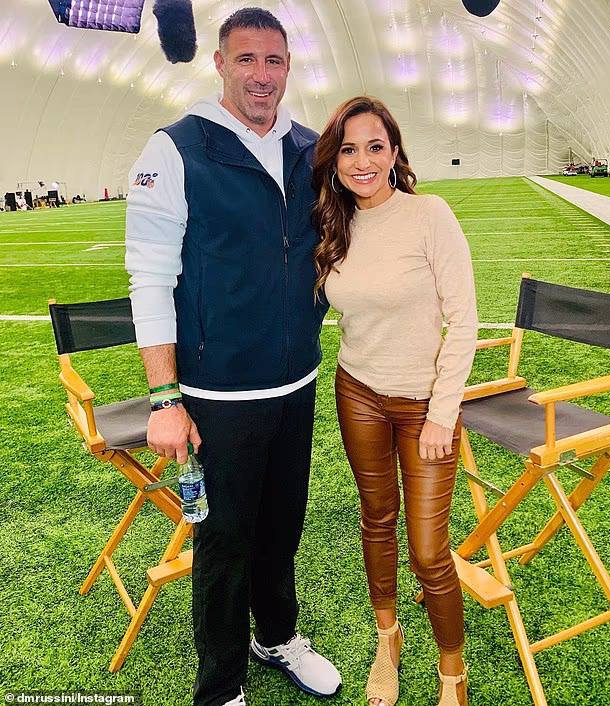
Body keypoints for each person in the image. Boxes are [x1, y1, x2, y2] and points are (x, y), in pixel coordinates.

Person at [124, 8, 341, 706]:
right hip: (217, 393)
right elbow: (150, 279)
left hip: (297, 380)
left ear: (288, 68)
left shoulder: (311, 147)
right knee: (223, 543)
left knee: (283, 524)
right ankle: (220, 687)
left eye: (274, 61)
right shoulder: (174, 148)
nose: (261, 75)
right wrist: (165, 397)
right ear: (219, 63)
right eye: (246, 59)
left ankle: (276, 636)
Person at [312, 96, 478, 706]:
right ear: (334, 161)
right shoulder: (333, 226)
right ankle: (389, 639)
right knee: (377, 519)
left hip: (423, 406)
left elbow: (464, 320)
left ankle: (452, 671)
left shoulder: (429, 214)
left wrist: (441, 414)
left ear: (395, 152)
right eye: (348, 150)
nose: (362, 162)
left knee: (430, 554)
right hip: (357, 391)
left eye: (374, 147)